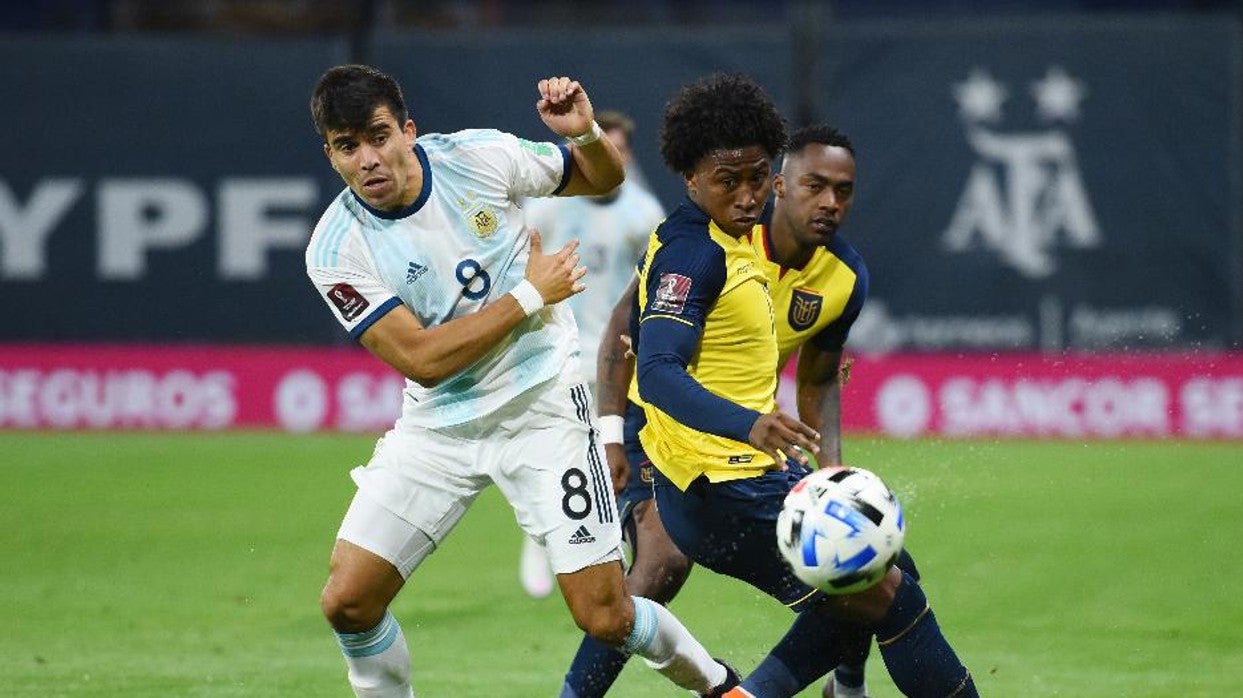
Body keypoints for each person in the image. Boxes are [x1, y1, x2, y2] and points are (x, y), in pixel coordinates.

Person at [305, 64, 737, 697]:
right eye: (348, 147)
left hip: (544, 410)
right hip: (437, 432)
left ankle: (722, 685)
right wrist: (533, 293)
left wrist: (584, 133)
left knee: (606, 614)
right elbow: (422, 359)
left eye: (378, 136)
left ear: (408, 130)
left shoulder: (479, 157)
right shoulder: (335, 248)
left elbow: (600, 177)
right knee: (347, 603)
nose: (368, 159)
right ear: (331, 155)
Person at [571, 72, 978, 698]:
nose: (828, 202)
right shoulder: (704, 250)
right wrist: (612, 439)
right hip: (679, 442)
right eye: (814, 185)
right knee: (660, 569)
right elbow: (641, 357)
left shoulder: (832, 274)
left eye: (843, 191)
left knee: (872, 567)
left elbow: (818, 377)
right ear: (789, 183)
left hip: (732, 451)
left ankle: (836, 686)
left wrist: (830, 473)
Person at [517, 110, 666, 600]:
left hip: (617, 354)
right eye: (604, 150)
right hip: (556, 347)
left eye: (620, 151)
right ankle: (539, 537)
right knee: (563, 450)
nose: (613, 158)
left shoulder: (644, 215)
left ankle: (595, 542)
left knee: (610, 454)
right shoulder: (547, 209)